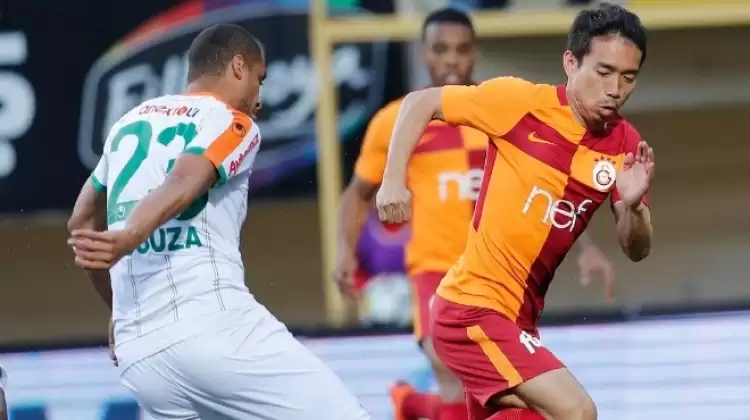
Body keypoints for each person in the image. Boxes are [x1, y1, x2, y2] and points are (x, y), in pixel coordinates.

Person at [67, 24, 370, 420]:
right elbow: (184, 179)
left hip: (140, 357)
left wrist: (118, 308)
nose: (259, 98)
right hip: (213, 330)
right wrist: (129, 236)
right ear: (238, 67)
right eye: (260, 79)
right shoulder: (231, 122)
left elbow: (81, 219)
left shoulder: (129, 120)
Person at [374, 3, 654, 420]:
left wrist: (632, 207)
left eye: (628, 77)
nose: (615, 88)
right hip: (471, 309)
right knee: (578, 411)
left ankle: (410, 406)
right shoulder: (520, 103)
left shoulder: (625, 145)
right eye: (603, 72)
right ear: (571, 62)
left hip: (518, 322)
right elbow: (421, 101)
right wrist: (393, 180)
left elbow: (637, 249)